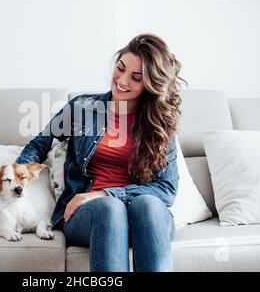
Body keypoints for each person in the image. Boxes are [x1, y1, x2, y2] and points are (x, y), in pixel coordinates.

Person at [15, 33, 186, 272]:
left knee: (146, 204)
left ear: (150, 85)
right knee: (111, 209)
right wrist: (16, 175)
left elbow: (166, 190)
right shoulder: (82, 108)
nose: (122, 81)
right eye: (120, 68)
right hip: (90, 215)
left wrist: (106, 193)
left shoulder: (159, 125)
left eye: (136, 78)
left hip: (144, 219)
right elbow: (40, 144)